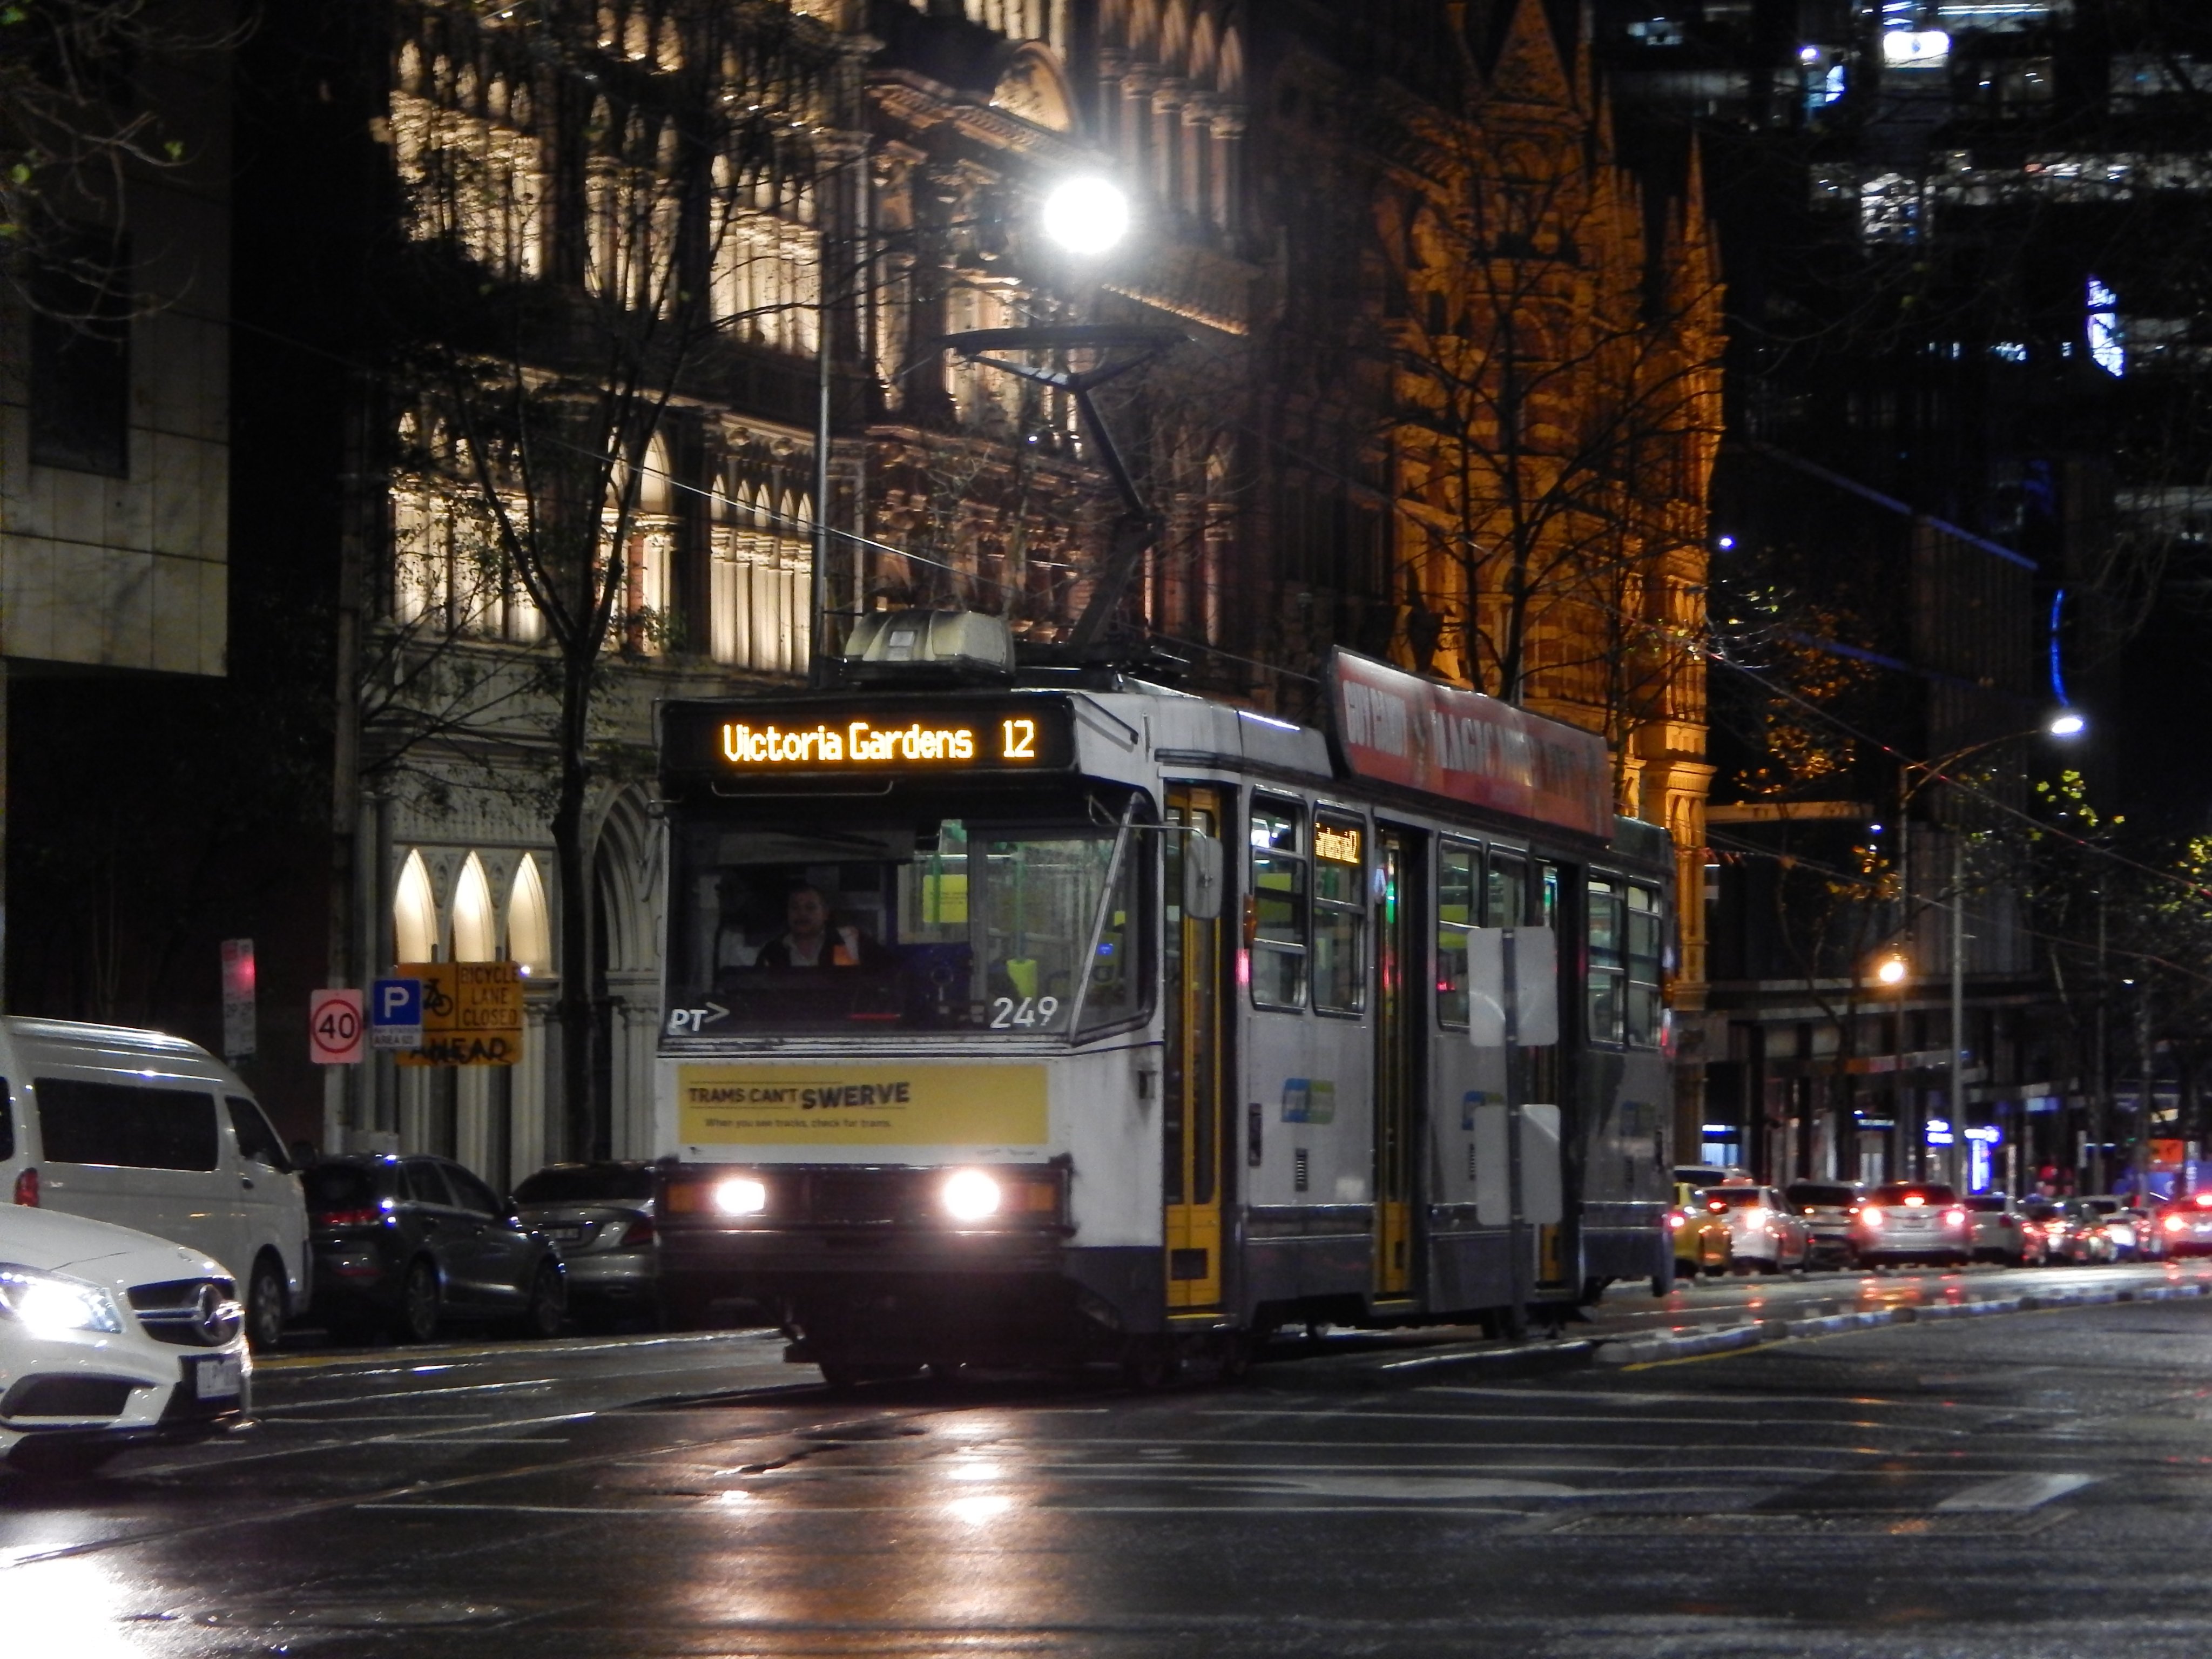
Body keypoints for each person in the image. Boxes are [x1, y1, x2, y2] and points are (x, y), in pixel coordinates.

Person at [756, 882, 881, 968]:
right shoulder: (772, 951)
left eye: (810, 908)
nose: (802, 914)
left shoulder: (851, 940)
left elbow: (890, 975)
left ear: (825, 913)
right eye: (795, 908)